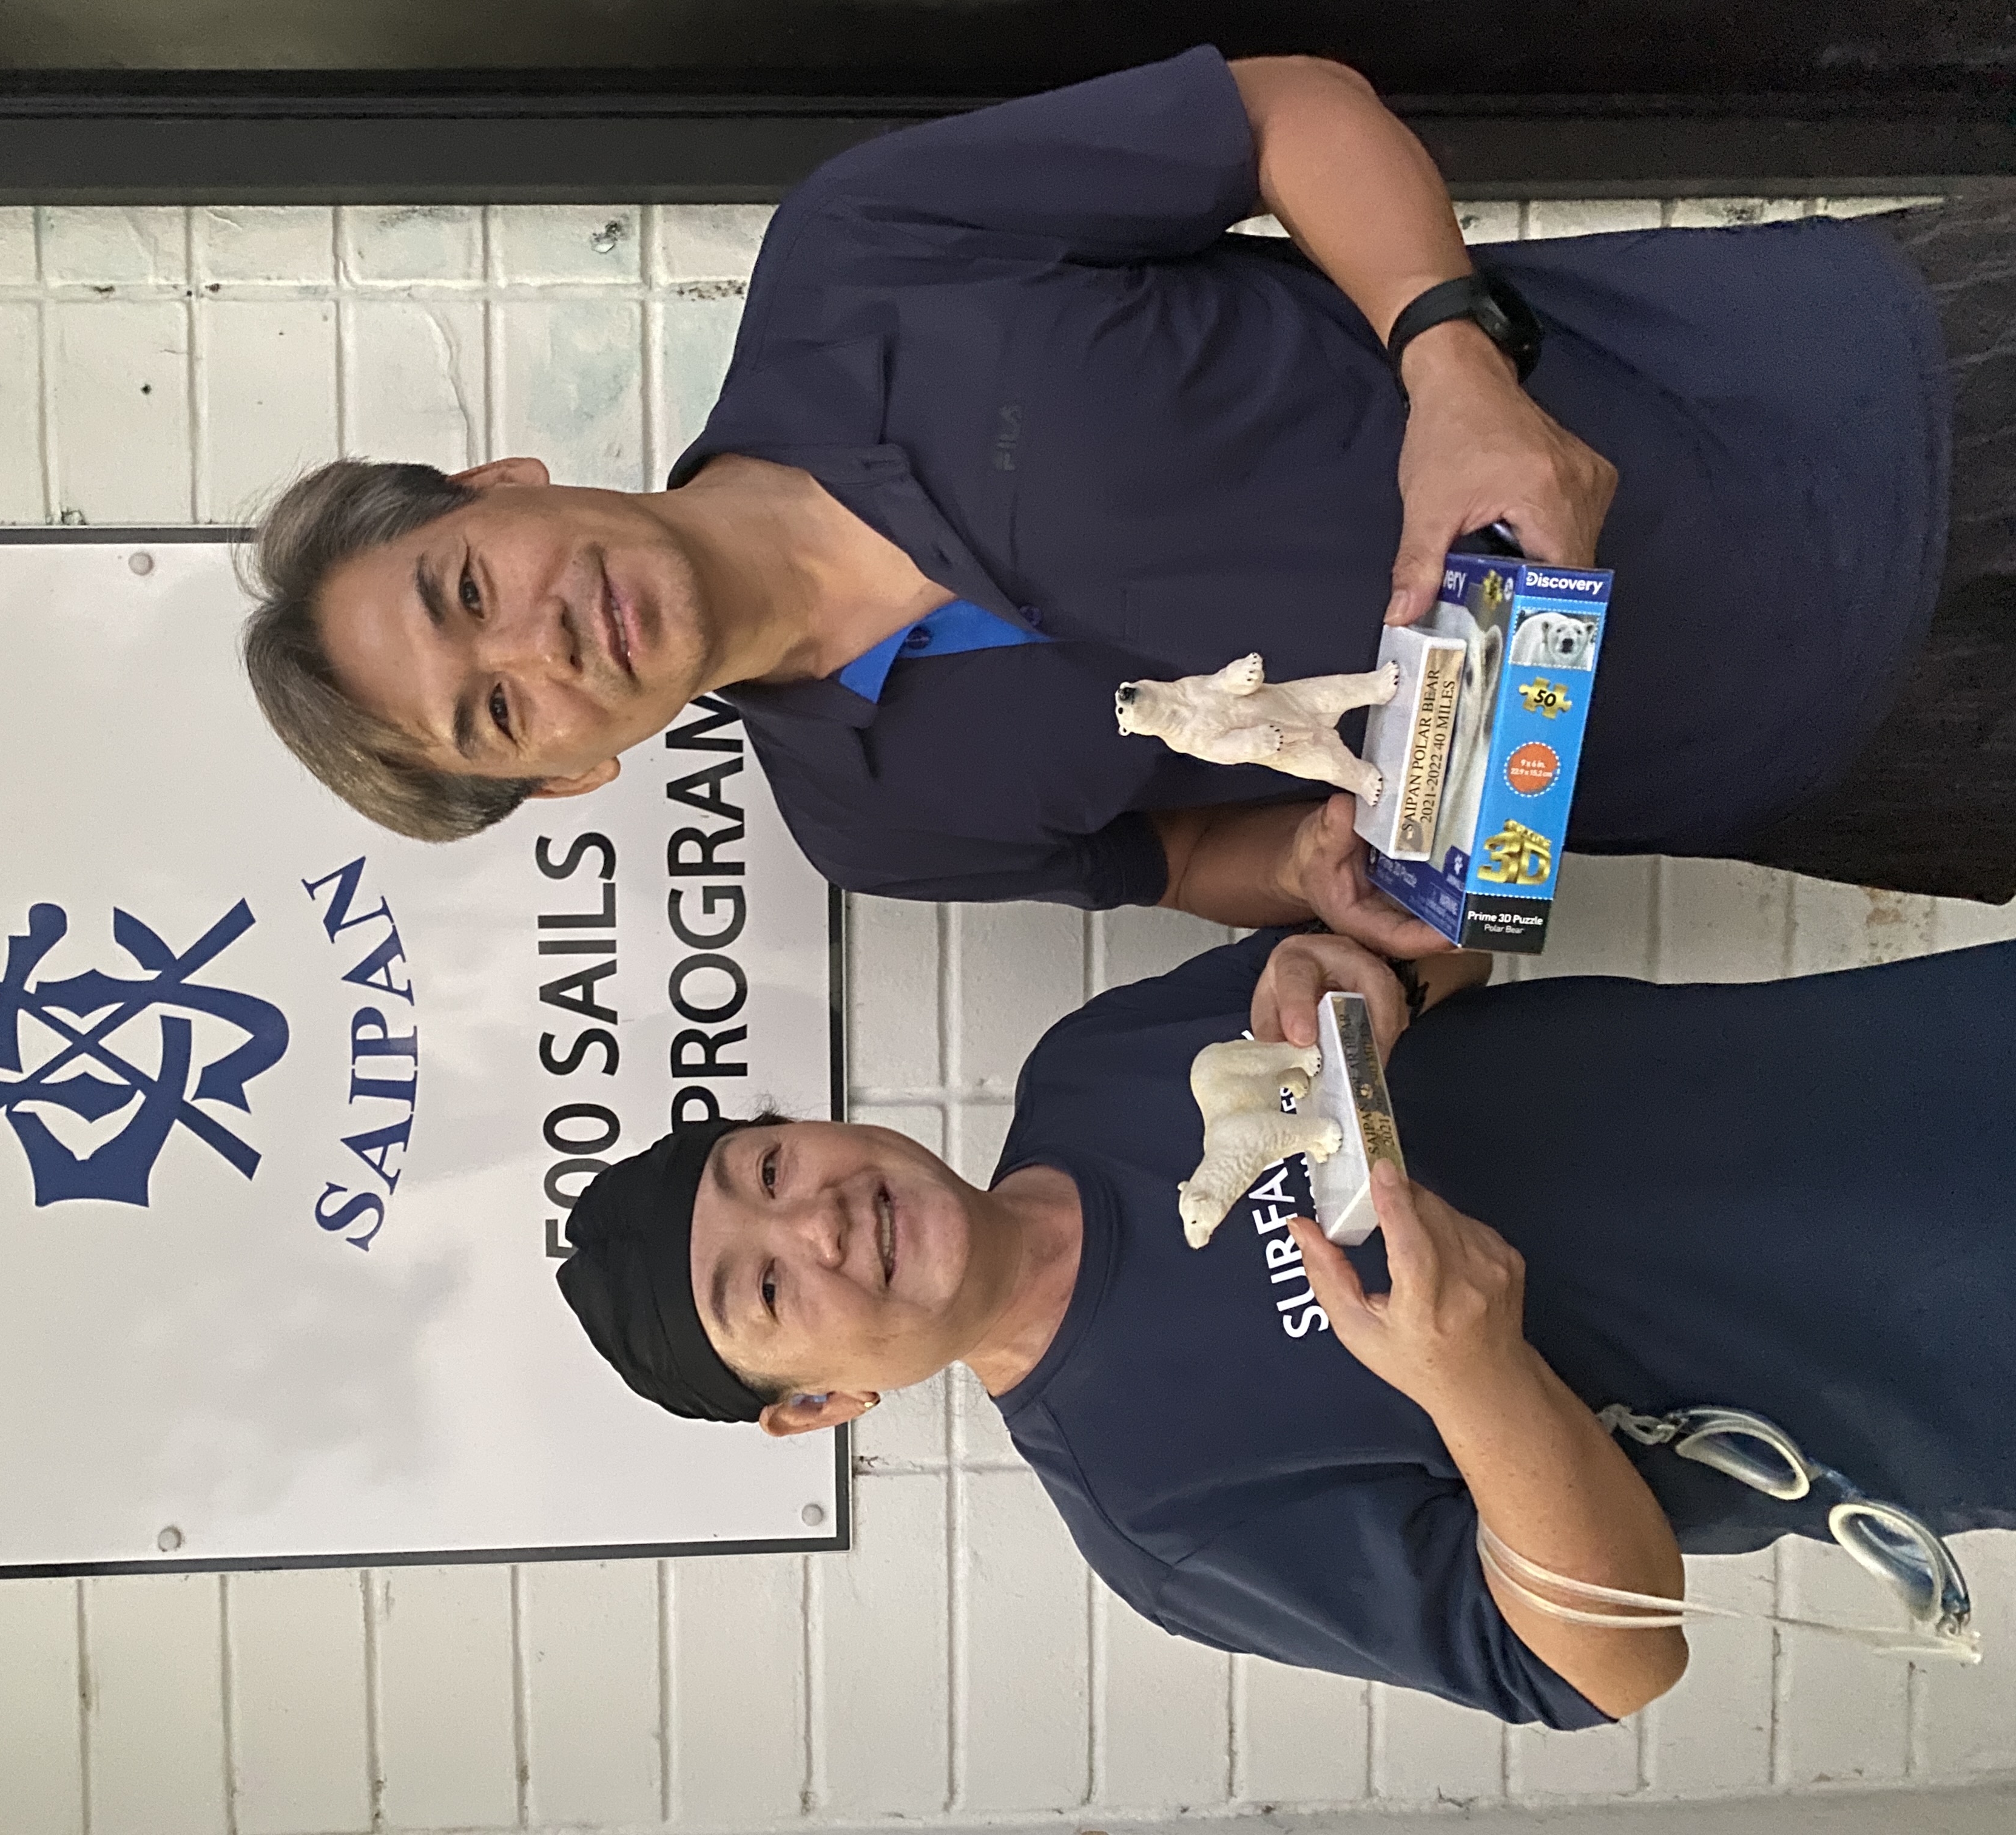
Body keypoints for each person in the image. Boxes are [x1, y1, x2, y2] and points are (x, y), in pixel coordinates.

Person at [243, 44, 2016, 949]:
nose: (541, 639)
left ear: (498, 485)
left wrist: (1453, 363)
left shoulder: (859, 254)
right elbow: (1180, 856)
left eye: (468, 585)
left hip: (1865, 384)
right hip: (1852, 764)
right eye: (496, 711)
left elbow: (1286, 110)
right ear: (568, 769)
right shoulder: (875, 831)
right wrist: (1319, 876)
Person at [552, 927, 2014, 1725]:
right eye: (764, 1290)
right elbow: (1610, 1664)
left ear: (805, 1124)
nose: (815, 1223)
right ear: (814, 1406)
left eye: (768, 1168)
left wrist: (1372, 972)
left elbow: (1450, 967)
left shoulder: (1093, 1061)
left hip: (1941, 1041)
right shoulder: (1161, 1521)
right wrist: (1478, 1378)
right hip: (1966, 1360)